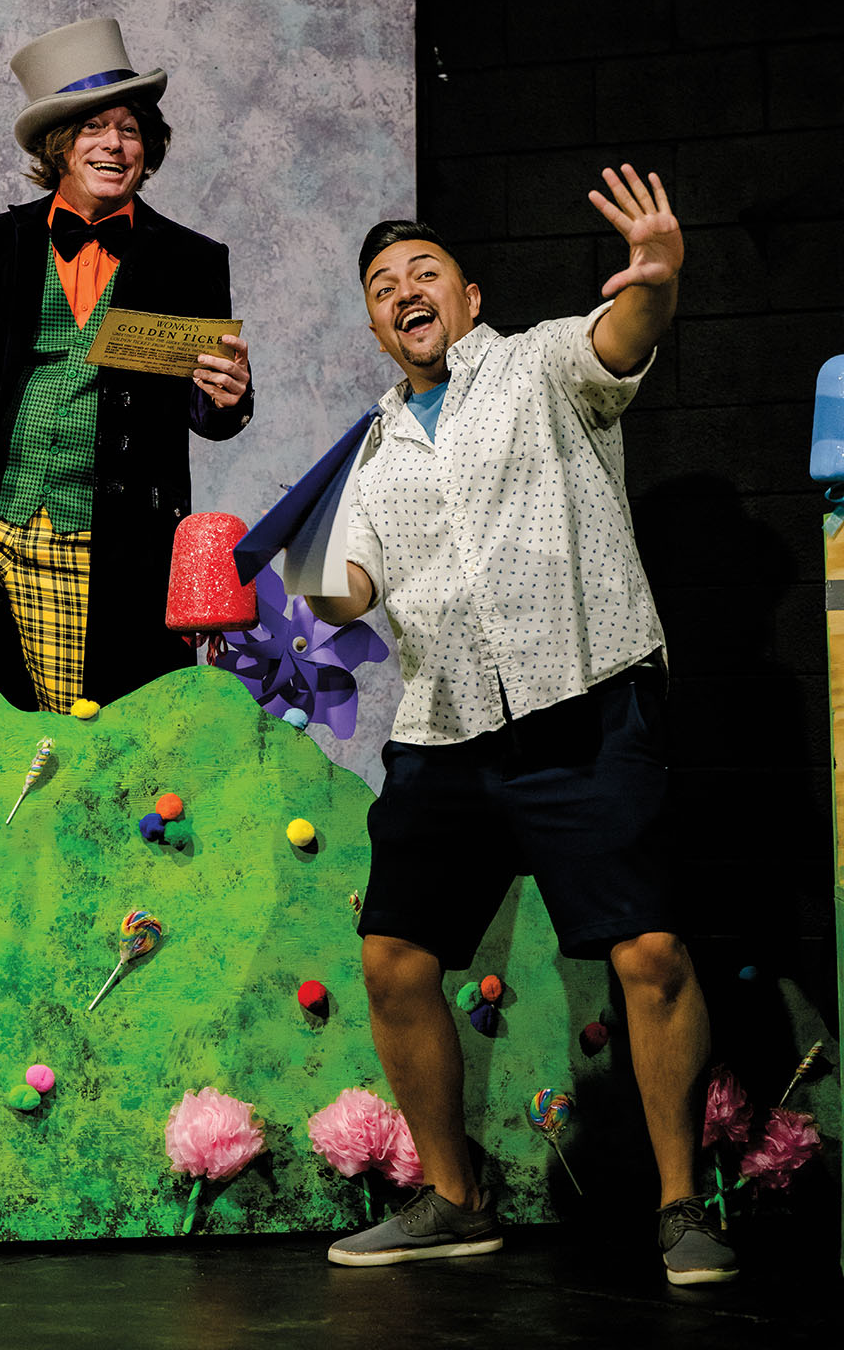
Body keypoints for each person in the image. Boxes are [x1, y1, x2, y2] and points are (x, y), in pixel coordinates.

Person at [306, 166, 735, 1286]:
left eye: (424, 273)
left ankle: (685, 1204)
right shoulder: (372, 450)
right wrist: (275, 582)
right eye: (383, 283)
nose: (405, 290)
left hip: (584, 700)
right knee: (396, 960)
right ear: (371, 320)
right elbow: (349, 587)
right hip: (447, 729)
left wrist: (657, 277)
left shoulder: (539, 363)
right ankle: (453, 1198)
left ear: (468, 296)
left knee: (648, 951)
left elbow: (621, 337)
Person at [0, 16, 253, 711]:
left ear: (147, 147)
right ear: (59, 146)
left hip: (88, 537)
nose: (114, 144)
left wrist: (227, 395)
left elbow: (202, 411)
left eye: (129, 128)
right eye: (94, 127)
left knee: (81, 728)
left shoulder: (189, 262)